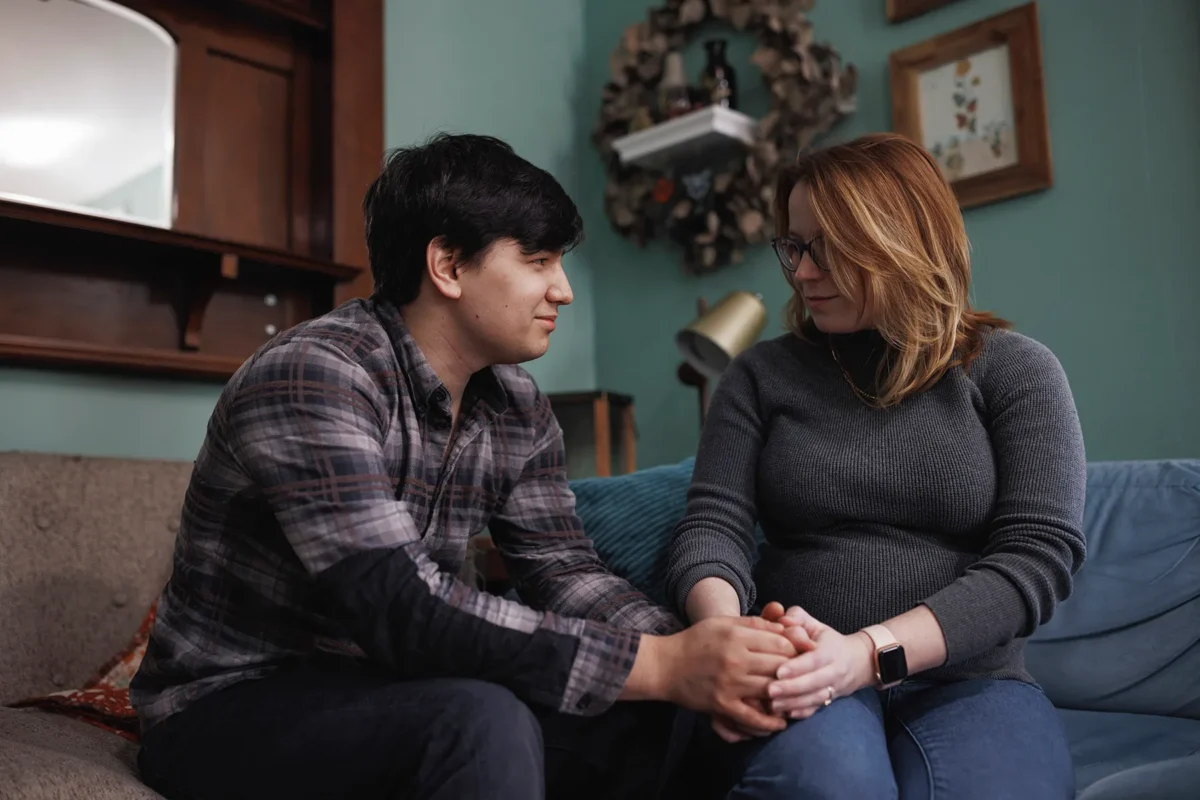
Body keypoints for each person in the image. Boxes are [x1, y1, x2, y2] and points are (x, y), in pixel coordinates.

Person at [129, 132, 802, 800]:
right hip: (230, 705)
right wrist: (660, 663)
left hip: (400, 689)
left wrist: (709, 650)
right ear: (447, 265)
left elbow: (563, 571)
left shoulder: (517, 404)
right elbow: (397, 605)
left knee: (667, 724)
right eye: (538, 261)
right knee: (479, 722)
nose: (562, 290)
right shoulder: (316, 375)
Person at [666, 132, 1086, 800]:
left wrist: (866, 654)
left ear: (902, 241)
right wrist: (726, 638)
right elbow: (712, 526)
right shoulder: (760, 376)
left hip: (969, 679)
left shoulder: (1016, 372)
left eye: (827, 247)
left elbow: (1036, 560)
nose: (802, 272)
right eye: (795, 246)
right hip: (799, 666)